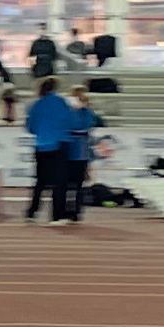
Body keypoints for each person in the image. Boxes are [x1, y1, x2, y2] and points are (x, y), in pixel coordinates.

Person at [24, 76, 70, 224]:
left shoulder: (36, 104)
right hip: (59, 144)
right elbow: (69, 121)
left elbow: (30, 127)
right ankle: (57, 215)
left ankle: (32, 212)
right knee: (60, 182)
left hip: (41, 145)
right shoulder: (61, 102)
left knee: (40, 181)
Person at [62, 86, 102, 225]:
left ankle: (75, 212)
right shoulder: (67, 111)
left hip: (78, 153)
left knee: (76, 185)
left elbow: (87, 126)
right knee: (69, 185)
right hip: (70, 152)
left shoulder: (87, 113)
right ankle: (68, 211)